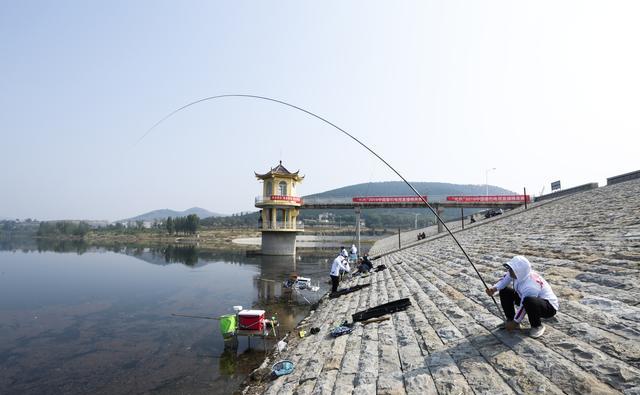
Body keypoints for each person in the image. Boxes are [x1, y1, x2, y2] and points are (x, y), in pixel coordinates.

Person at [485, 255, 559, 338]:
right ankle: (510, 318)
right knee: (505, 290)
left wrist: (515, 322)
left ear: (519, 271)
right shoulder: (515, 273)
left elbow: (523, 307)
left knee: (529, 301)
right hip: (527, 299)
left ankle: (537, 326)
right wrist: (493, 289)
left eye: (511, 269)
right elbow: (503, 281)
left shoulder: (531, 285)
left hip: (548, 307)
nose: (509, 270)